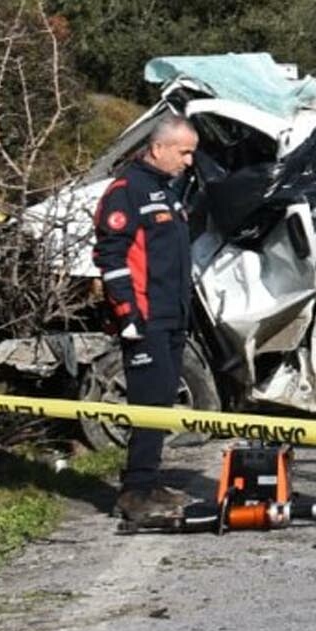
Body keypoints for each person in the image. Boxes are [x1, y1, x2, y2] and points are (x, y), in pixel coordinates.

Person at [93, 115, 200, 528]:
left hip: (172, 316)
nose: (189, 162)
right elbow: (112, 259)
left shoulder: (166, 193)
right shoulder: (127, 192)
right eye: (184, 152)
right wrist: (127, 316)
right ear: (158, 148)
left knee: (161, 404)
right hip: (145, 319)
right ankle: (134, 492)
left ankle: (150, 481)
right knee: (148, 404)